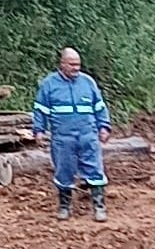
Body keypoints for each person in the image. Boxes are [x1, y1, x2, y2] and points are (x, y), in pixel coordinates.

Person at [33, 47, 111, 221]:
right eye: (72, 64)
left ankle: (99, 207)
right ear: (62, 64)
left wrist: (104, 127)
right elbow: (40, 110)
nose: (76, 68)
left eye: (78, 65)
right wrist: (39, 130)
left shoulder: (88, 82)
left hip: (87, 135)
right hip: (62, 137)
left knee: (95, 170)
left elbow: (100, 106)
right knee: (64, 172)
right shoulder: (49, 84)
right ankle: (64, 207)